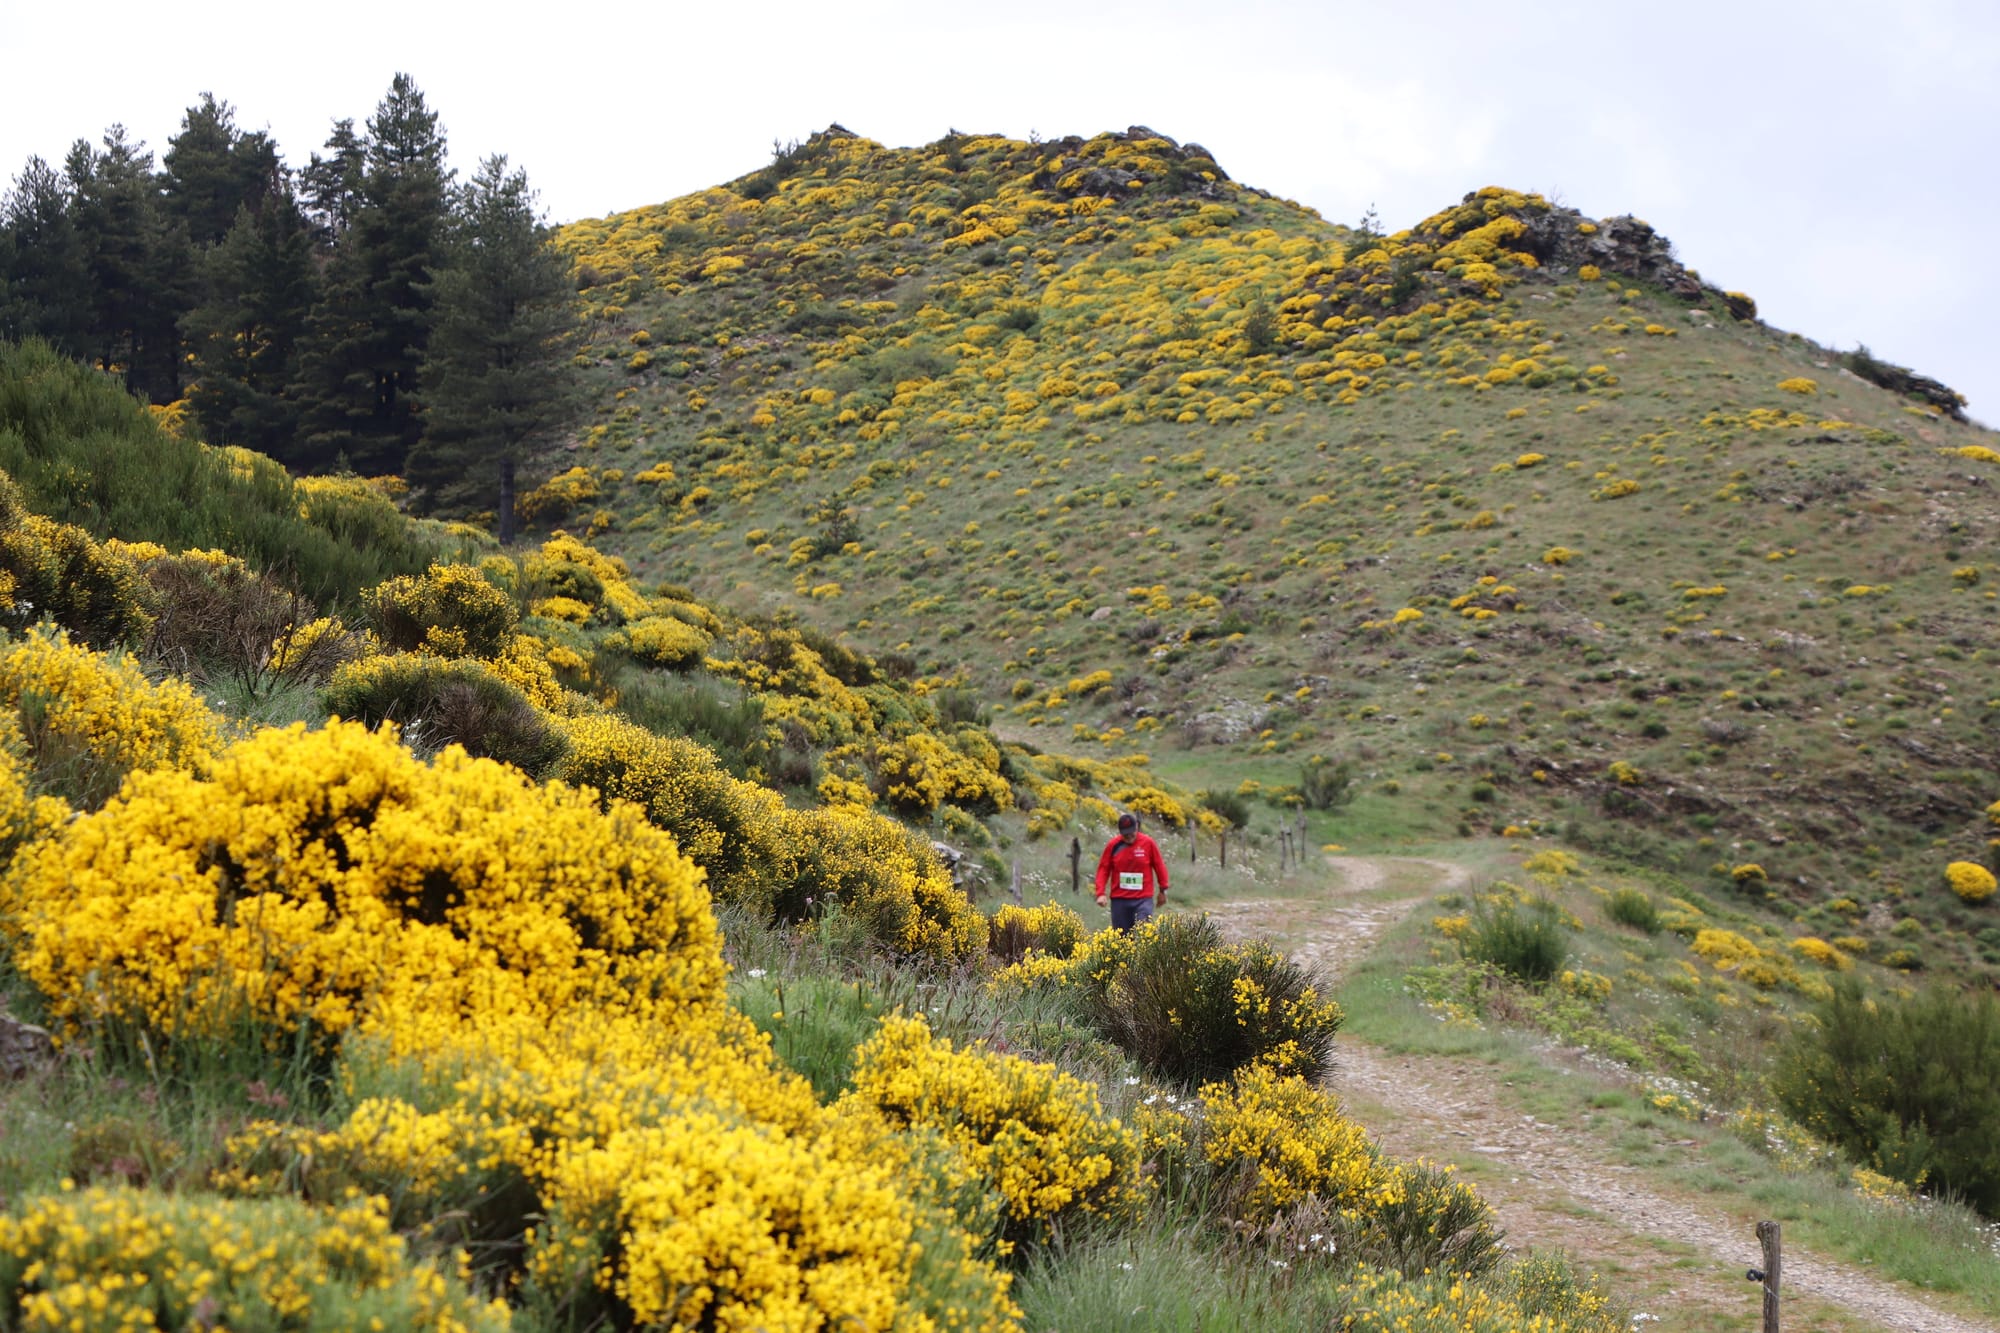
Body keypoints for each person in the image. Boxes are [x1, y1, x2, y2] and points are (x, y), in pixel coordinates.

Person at [1094, 811, 1168, 932]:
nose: (1129, 837)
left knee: (1143, 933)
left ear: (1137, 827)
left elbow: (1159, 866)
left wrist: (1163, 890)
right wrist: (1100, 893)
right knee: (1122, 938)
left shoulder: (1148, 843)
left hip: (1143, 899)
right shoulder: (1113, 845)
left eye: (1132, 833)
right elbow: (1103, 869)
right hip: (1120, 900)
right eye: (1125, 834)